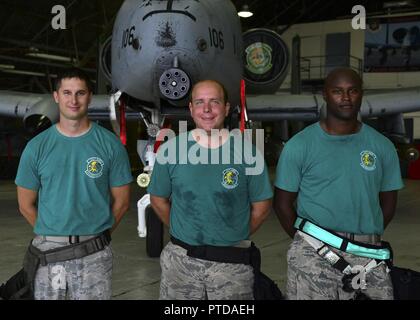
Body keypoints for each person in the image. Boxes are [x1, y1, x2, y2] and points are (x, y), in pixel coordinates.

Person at [273, 68, 403, 300]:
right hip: (313, 253)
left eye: (352, 91)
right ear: (325, 95)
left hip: (368, 254)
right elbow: (282, 204)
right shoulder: (299, 145)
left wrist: (363, 235)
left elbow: (389, 204)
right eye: (337, 91)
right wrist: (308, 241)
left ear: (361, 94)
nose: (345, 97)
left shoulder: (381, 146)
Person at [148, 80, 273, 300]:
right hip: (180, 265)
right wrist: (182, 229)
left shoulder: (248, 153)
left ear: (226, 108)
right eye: (200, 102)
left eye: (214, 102)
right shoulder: (170, 151)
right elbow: (158, 199)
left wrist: (230, 234)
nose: (206, 110)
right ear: (191, 109)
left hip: (232, 266)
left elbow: (261, 207)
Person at [15, 68, 133, 300]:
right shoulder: (37, 147)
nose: (73, 100)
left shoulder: (110, 145)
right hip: (48, 254)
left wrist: (98, 237)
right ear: (56, 97)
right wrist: (52, 233)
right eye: (67, 93)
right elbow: (25, 204)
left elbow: (122, 202)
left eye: (80, 93)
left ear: (90, 96)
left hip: (94, 253)